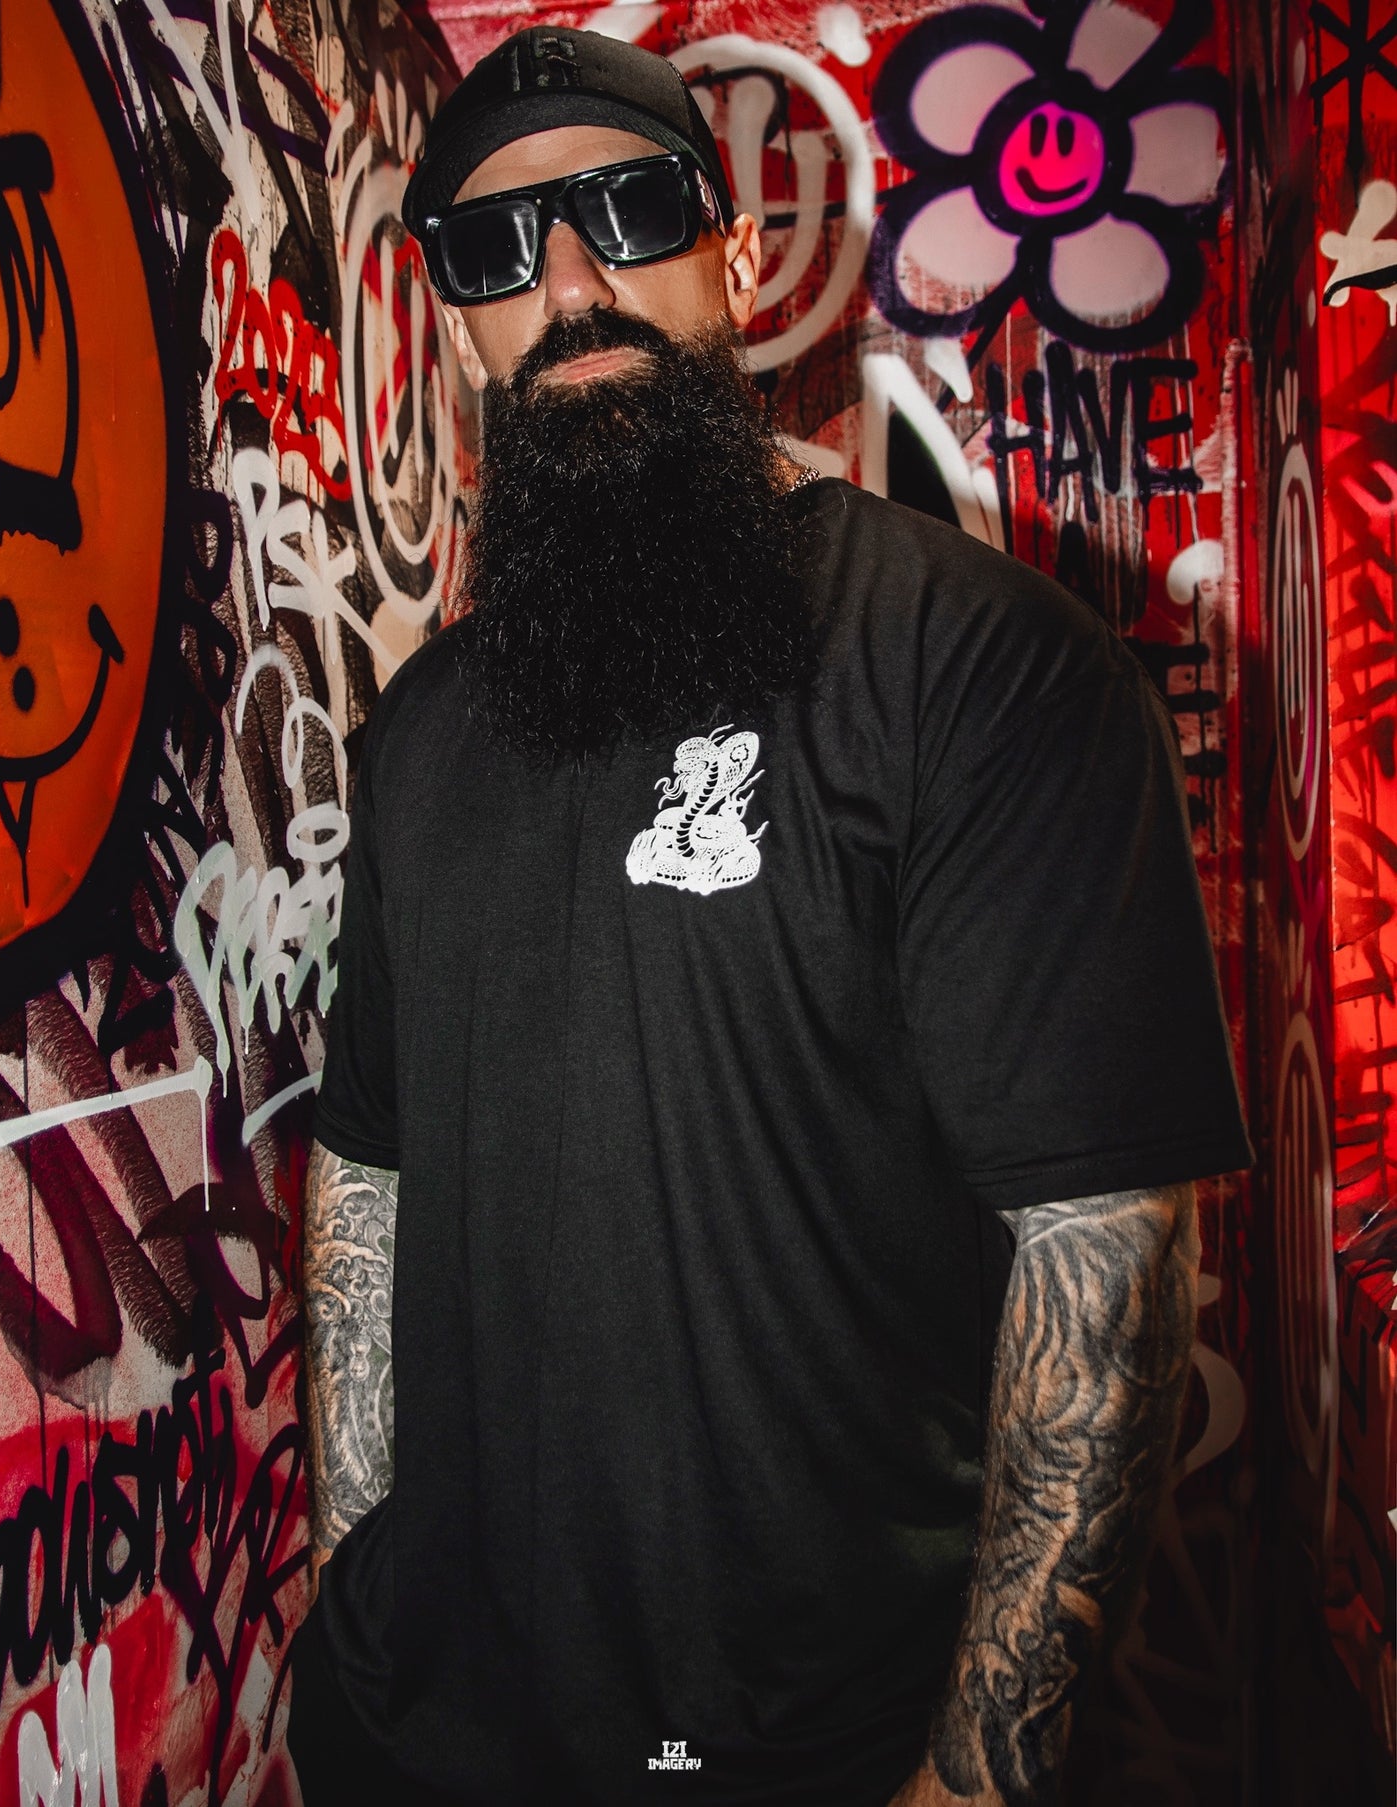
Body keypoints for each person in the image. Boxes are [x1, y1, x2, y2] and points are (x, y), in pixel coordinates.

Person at [286, 26, 1252, 1807]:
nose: (566, 286)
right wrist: (361, 1580)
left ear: (731, 254)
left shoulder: (980, 666)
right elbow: (369, 1181)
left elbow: (1099, 1256)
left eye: (624, 210)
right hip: (429, 1732)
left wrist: (977, 1780)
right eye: (494, 250)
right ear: (456, 322)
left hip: (819, 1746)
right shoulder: (422, 728)